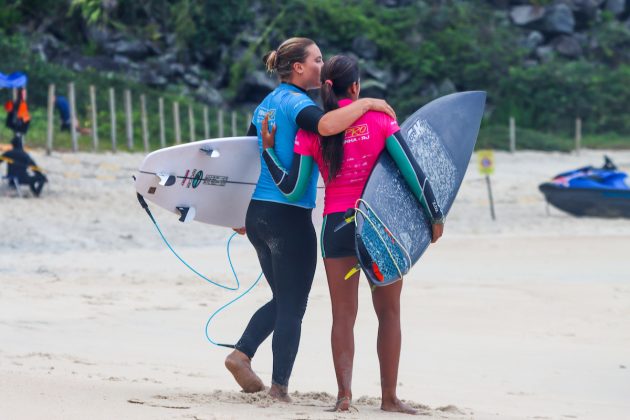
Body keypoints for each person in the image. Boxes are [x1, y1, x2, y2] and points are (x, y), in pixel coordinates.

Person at [261, 55, 444, 414]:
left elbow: (292, 187)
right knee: (389, 313)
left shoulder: (311, 131)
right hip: (378, 228)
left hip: (337, 229)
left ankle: (344, 397)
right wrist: (434, 215)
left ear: (326, 88)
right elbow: (412, 172)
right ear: (356, 87)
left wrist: (268, 149)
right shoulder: (379, 119)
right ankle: (389, 399)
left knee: (343, 315)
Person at [224, 38, 397, 402]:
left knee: (283, 298)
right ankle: (278, 388)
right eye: (316, 59)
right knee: (293, 304)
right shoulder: (296, 103)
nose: (322, 65)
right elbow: (326, 126)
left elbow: (247, 157)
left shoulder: (264, 106)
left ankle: (242, 354)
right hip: (287, 215)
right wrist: (366, 102)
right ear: (298, 68)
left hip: (258, 214)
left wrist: (238, 211)